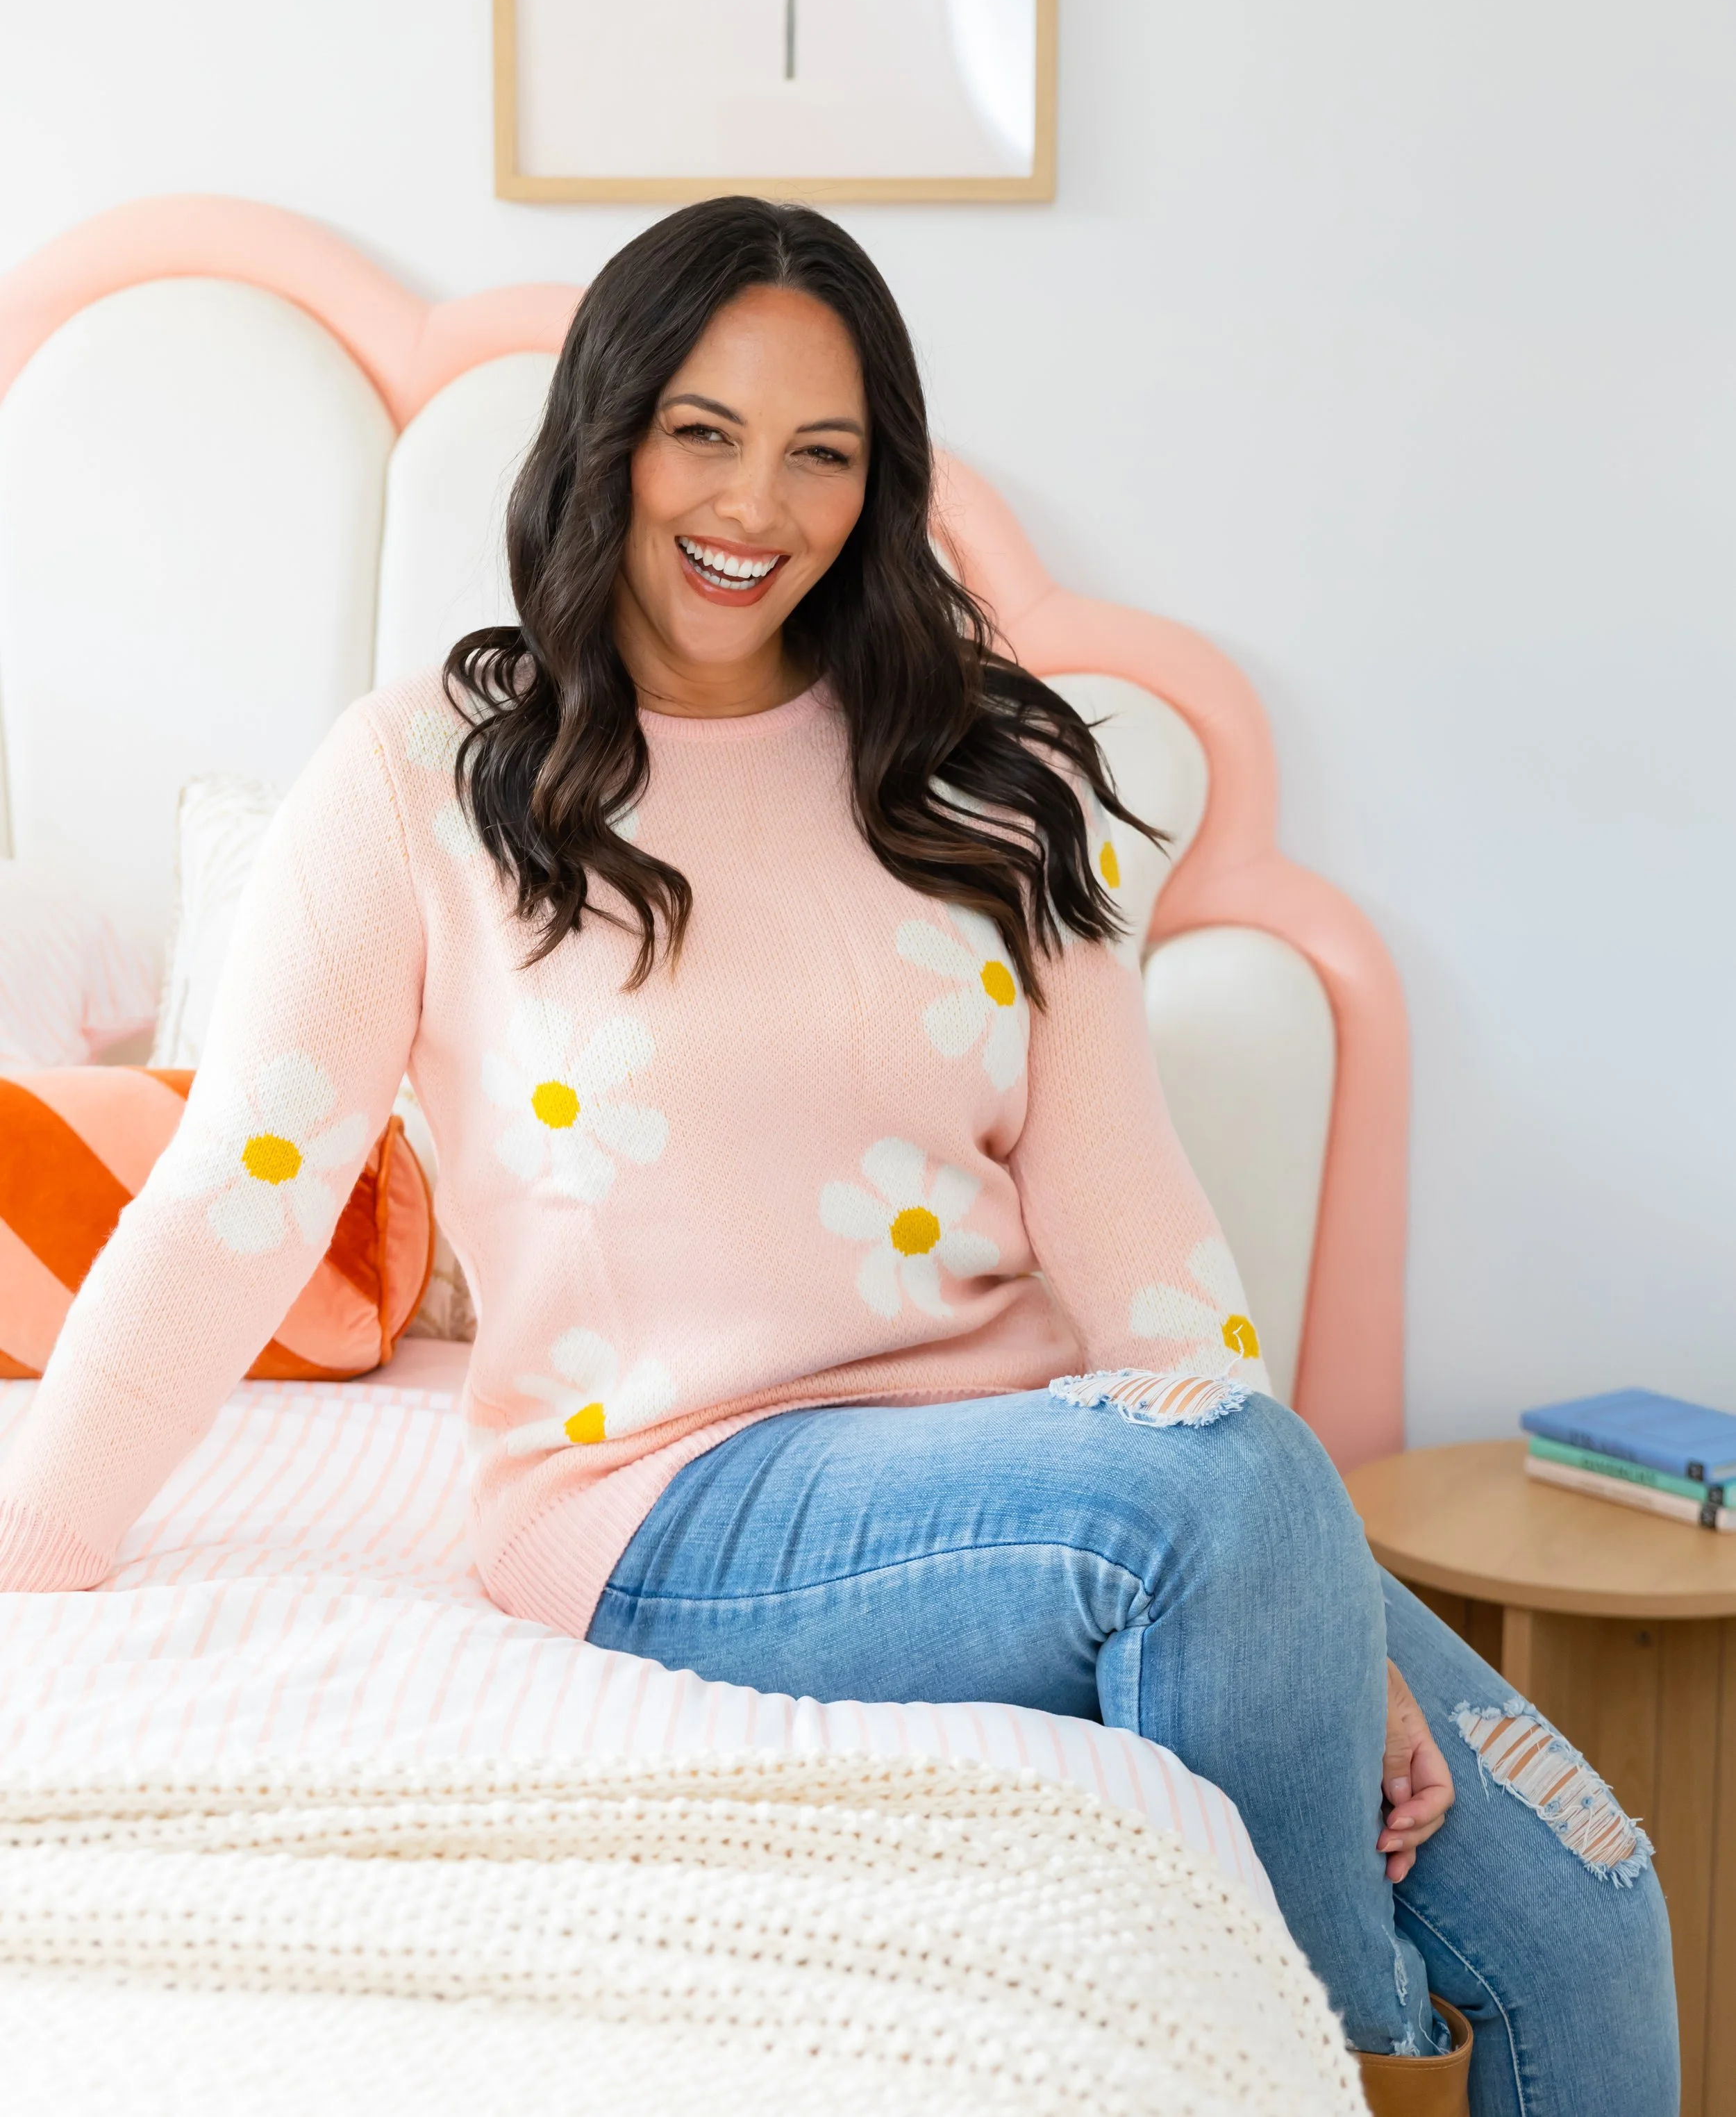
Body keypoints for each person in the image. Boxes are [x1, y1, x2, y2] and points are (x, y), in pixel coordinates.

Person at [0, 199, 1674, 2113]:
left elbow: (1128, 1227)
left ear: (879, 483)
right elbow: (242, 1195)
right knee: (1225, 1494)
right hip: (668, 1499)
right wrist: (37, 1532)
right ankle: (1321, 2043)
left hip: (1075, 1477)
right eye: (701, 430)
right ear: (606, 433)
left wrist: (1292, 1603)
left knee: (1590, 1908)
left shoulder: (994, 770)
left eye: (823, 449)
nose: (754, 502)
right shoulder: (424, 777)